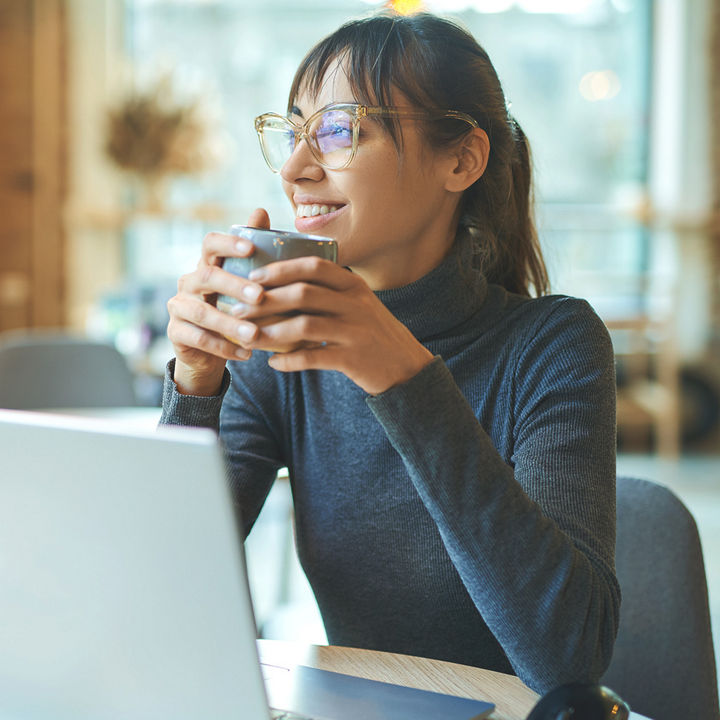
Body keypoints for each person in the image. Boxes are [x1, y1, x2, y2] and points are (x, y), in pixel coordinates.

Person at [160, 11, 619, 694]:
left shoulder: (553, 346)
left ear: (460, 159)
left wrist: (398, 374)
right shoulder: (282, 356)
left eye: (340, 131)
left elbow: (567, 659)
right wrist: (196, 390)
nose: (294, 169)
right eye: (293, 133)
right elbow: (163, 588)